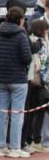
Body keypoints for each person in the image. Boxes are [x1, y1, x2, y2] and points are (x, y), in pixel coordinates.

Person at [0, 5, 32, 158]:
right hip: (18, 80)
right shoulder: (21, 35)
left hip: (1, 78)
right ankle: (15, 147)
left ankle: (0, 147)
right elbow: (27, 58)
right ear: (20, 20)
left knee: (0, 114)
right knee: (17, 114)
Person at [22, 18, 49, 152]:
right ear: (43, 31)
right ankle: (36, 141)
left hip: (28, 80)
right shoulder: (41, 43)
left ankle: (29, 139)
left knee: (30, 111)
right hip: (39, 82)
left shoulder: (28, 39)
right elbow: (43, 64)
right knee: (39, 111)